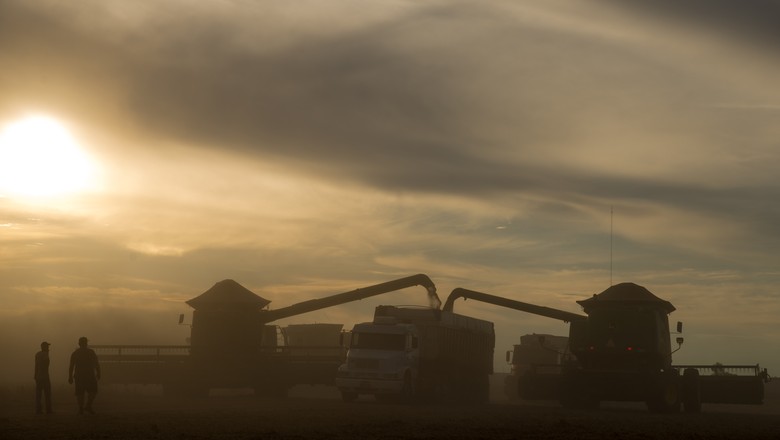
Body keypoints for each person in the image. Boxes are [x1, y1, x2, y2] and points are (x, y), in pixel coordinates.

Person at [68, 336, 101, 414]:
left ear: (79, 344)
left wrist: (70, 376)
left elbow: (71, 366)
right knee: (93, 391)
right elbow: (96, 363)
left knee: (80, 393)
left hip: (79, 376)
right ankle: (88, 406)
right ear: (86, 343)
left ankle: (81, 409)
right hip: (89, 375)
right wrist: (99, 372)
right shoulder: (91, 352)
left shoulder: (75, 353)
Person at [34, 341, 53, 414]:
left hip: (38, 376)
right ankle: (48, 410)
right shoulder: (45, 354)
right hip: (45, 376)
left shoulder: (37, 354)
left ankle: (38, 410)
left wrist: (35, 375)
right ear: (44, 347)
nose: (48, 348)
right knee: (47, 393)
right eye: (47, 346)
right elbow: (46, 365)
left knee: (38, 394)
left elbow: (36, 366)